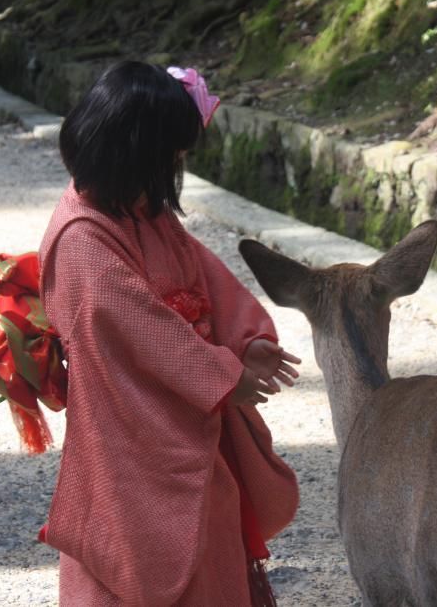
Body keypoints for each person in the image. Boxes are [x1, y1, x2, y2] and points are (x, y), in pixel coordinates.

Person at [38, 61, 301, 605]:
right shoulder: (81, 237)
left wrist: (246, 338)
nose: (177, 166)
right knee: (146, 549)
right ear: (138, 152)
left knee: (211, 524)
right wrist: (221, 376)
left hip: (186, 415)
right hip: (132, 432)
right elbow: (138, 324)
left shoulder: (137, 208)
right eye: (172, 157)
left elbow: (201, 273)